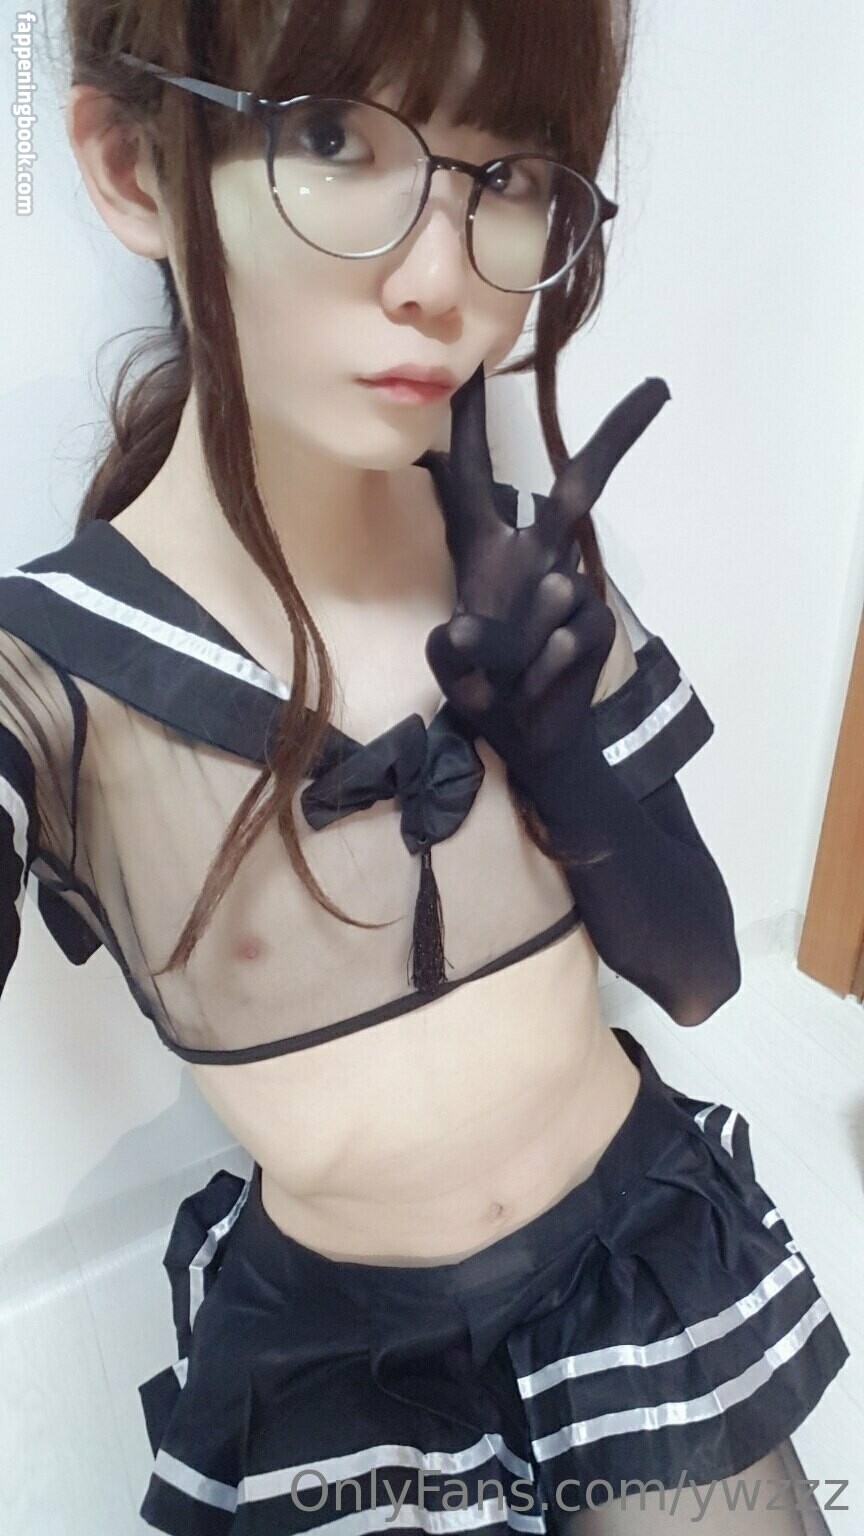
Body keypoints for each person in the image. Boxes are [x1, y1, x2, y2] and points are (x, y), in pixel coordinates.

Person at [1, 1, 847, 1531]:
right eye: (335, 136)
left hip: (637, 1264)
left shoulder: (530, 573)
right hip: (340, 1361)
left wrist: (560, 751)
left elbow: (702, 974)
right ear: (133, 165)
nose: (442, 284)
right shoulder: (51, 671)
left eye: (508, 175)